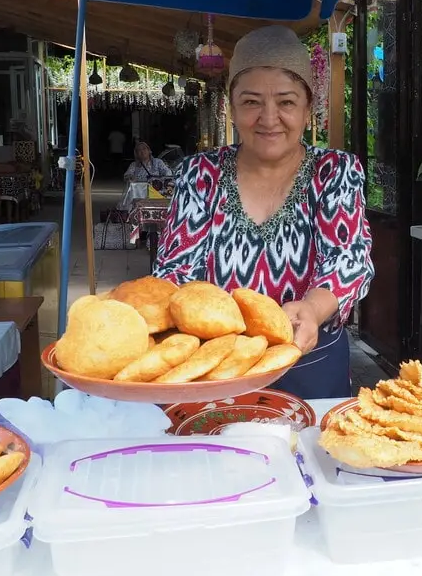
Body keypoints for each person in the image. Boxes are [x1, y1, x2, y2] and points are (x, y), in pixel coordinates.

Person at [154, 25, 375, 399]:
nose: (269, 118)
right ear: (233, 107)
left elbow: (349, 260)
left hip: (310, 360)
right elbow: (174, 270)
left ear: (308, 109)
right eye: (252, 101)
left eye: (286, 102)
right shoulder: (199, 173)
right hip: (217, 364)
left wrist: (311, 308)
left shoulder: (334, 171)